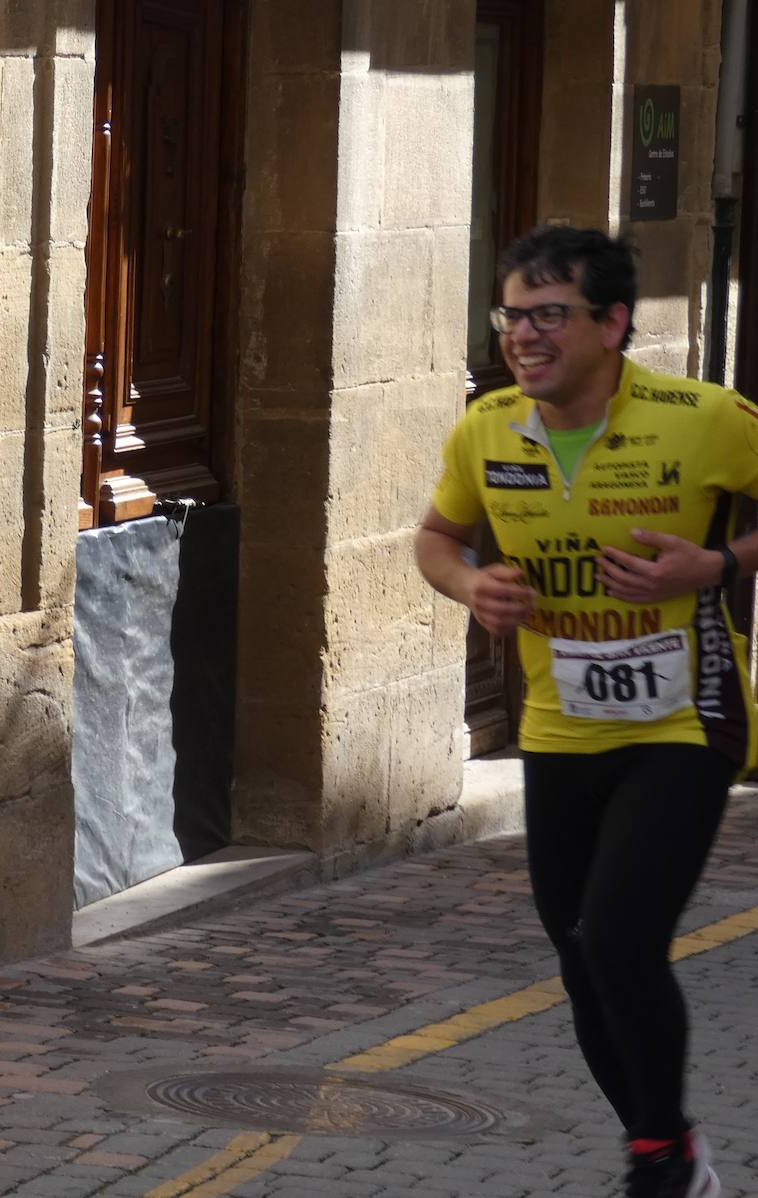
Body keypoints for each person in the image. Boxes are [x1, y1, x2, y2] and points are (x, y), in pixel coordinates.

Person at [416, 224, 758, 1198]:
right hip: (559, 727)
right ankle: (674, 1145)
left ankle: (657, 1161)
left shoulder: (706, 419)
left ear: (612, 324)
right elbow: (439, 538)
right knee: (579, 957)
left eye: (548, 314)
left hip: (685, 721)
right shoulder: (489, 428)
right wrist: (471, 585)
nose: (524, 334)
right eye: (511, 314)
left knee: (618, 937)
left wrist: (718, 564)